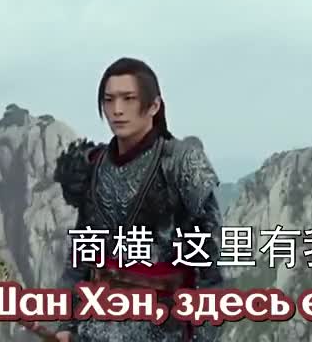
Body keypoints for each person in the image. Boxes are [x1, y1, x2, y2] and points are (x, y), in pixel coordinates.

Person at [51, 57, 225, 342]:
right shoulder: (93, 167)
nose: (117, 110)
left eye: (128, 99)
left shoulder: (180, 163)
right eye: (109, 100)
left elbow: (210, 265)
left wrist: (203, 336)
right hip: (95, 327)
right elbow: (81, 255)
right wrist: (64, 324)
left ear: (154, 106)